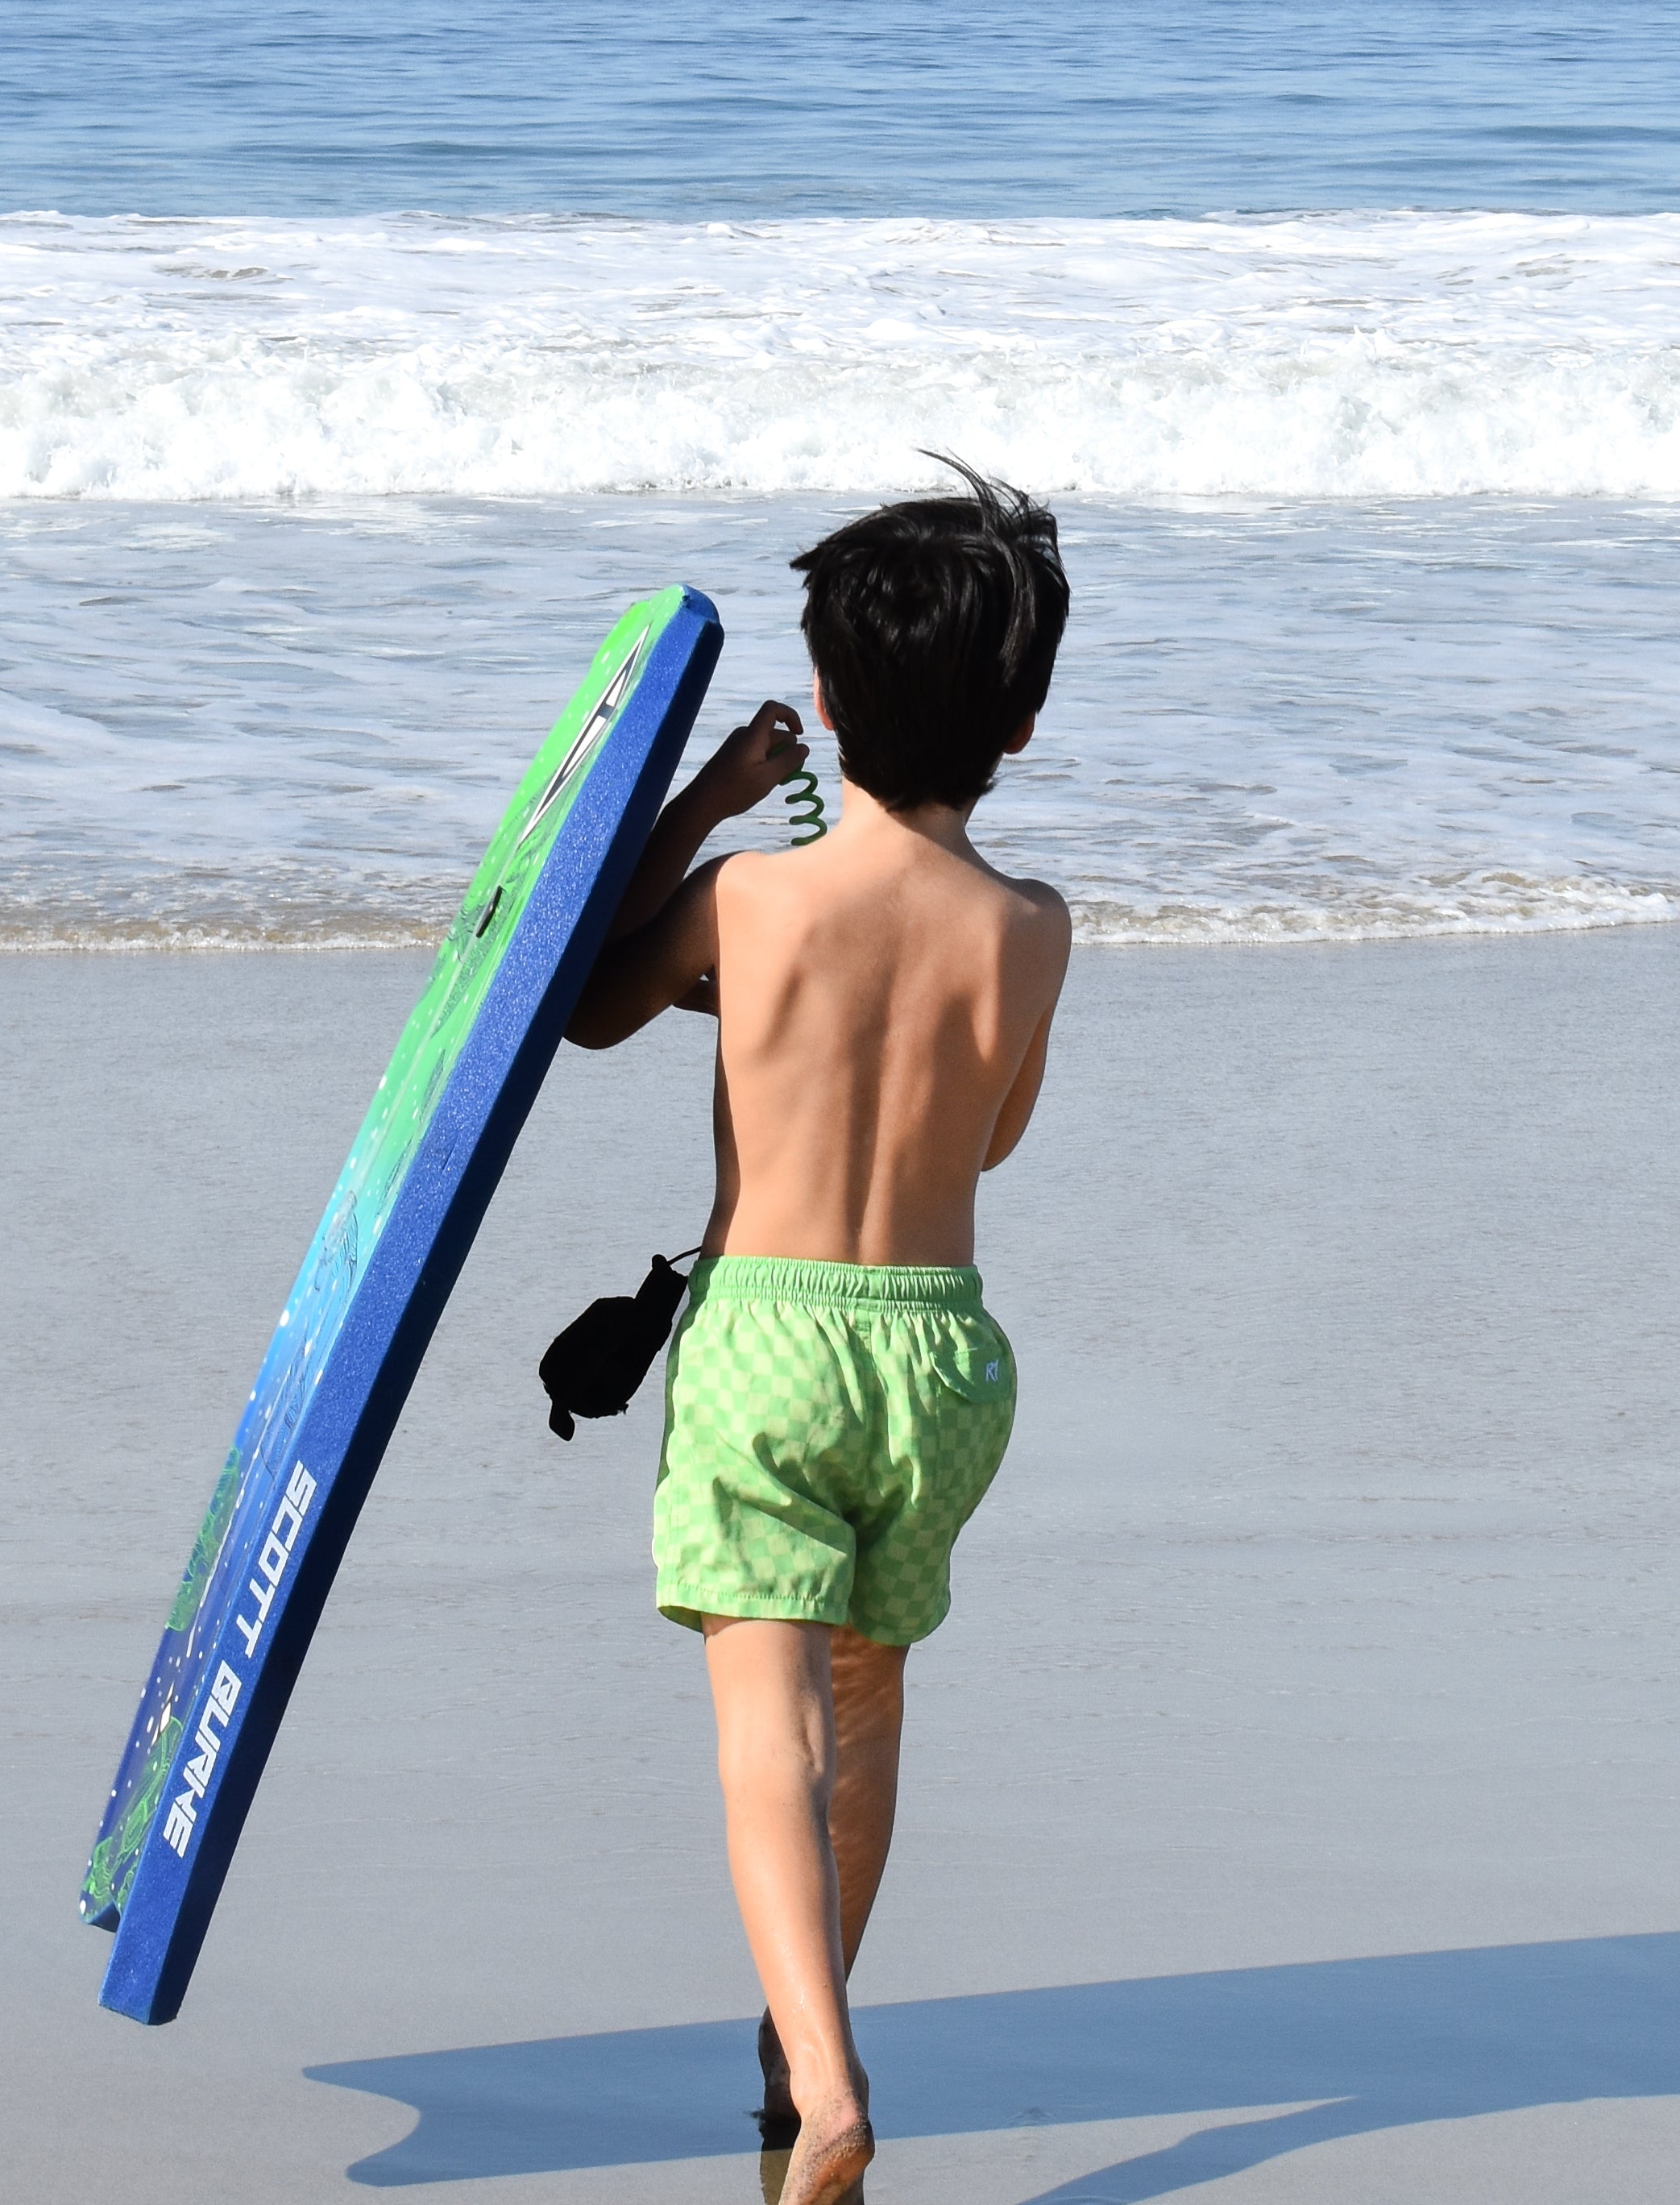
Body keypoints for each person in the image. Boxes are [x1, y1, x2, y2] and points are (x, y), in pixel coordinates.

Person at [566, 461, 1072, 2205]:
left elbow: (578, 996)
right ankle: (803, 2039)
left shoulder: (747, 900)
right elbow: (988, 1134)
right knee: (865, 1700)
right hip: (938, 1353)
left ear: (829, 700)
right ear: (1017, 727)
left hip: (768, 1332)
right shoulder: (1031, 925)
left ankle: (833, 2083)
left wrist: (707, 793)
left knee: (760, 1716)